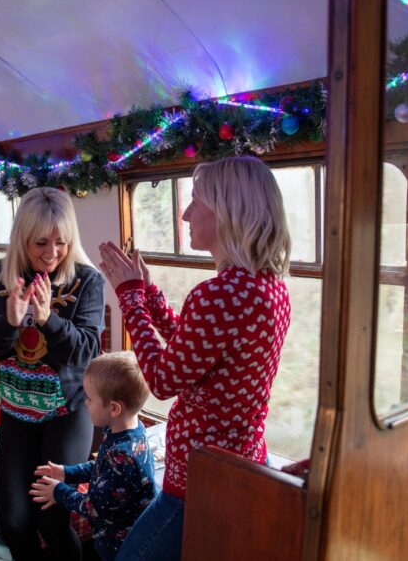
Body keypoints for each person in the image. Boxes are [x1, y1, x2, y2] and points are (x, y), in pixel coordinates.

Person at [98, 156, 292, 561]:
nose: (185, 213)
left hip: (198, 479)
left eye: (196, 202)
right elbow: (195, 353)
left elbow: (167, 381)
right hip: (241, 462)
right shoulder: (269, 286)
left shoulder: (219, 294)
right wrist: (150, 298)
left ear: (226, 212)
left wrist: (130, 298)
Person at [0, 187, 105, 560]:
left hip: (67, 415)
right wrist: (8, 322)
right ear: (22, 239)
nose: (51, 253)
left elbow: (88, 353)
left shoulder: (86, 281)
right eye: (40, 243)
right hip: (16, 413)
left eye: (61, 243)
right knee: (14, 521)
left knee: (52, 521)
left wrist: (48, 319)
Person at [30, 352, 157, 561]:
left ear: (114, 408)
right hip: (114, 536)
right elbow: (100, 466)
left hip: (119, 547)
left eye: (89, 398)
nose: (85, 403)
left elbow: (95, 508)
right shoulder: (129, 431)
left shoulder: (123, 456)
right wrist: (66, 473)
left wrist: (58, 492)